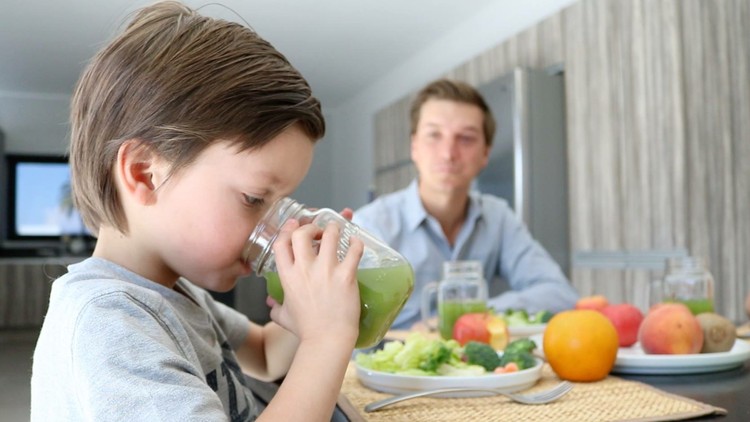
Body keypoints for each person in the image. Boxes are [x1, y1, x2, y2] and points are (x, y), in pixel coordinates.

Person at [30, 2, 363, 421]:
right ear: (146, 174)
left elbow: (263, 355)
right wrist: (327, 338)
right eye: (254, 198)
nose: (277, 229)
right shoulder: (109, 321)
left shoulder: (174, 293)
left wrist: (307, 310)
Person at [353, 78, 578, 329]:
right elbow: (348, 324)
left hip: (471, 365)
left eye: (466, 138)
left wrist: (468, 314)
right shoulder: (371, 224)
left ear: (485, 154)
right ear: (414, 147)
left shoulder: (498, 217)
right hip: (388, 363)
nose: (448, 153)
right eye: (434, 135)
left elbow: (559, 293)